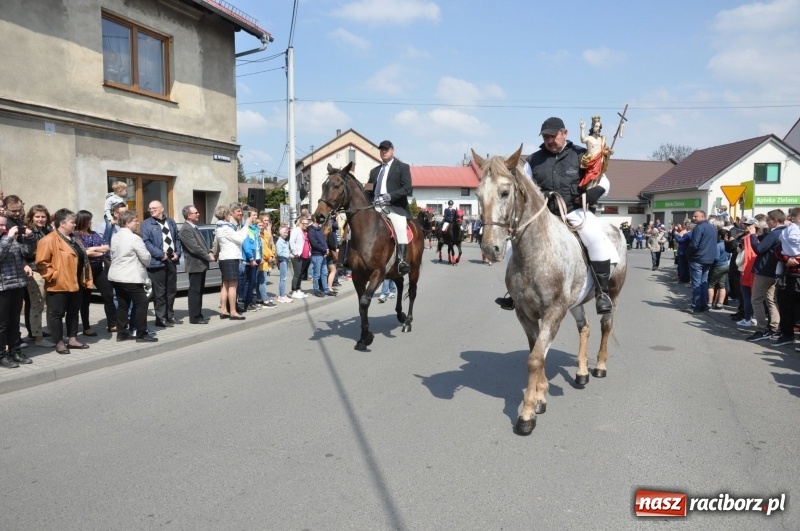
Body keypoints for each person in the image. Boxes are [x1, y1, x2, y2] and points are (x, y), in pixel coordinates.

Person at [495, 117, 619, 313]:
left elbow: (604, 182)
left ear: (565, 133)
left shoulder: (581, 154)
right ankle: (514, 293)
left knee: (596, 239)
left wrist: (592, 194)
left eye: (553, 136)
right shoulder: (533, 160)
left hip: (574, 211)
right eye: (546, 137)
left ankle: (602, 293)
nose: (550, 140)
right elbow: (522, 187)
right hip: (543, 215)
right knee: (512, 245)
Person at [35, 208, 93, 354]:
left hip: (76, 282)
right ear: (62, 223)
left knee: (73, 312)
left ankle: (72, 338)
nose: (75, 225)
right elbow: (42, 263)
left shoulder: (74, 239)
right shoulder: (48, 240)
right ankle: (59, 342)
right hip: (58, 284)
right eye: (72, 222)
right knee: (57, 314)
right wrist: (53, 276)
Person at [107, 210, 156, 342]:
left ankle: (122, 333)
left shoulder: (116, 236)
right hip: (130, 276)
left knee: (123, 305)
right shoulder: (134, 238)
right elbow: (146, 258)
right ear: (128, 223)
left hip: (116, 276)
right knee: (142, 303)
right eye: (135, 221)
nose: (137, 223)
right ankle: (141, 334)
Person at [367, 140, 413, 275]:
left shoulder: (402, 167)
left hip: (394, 206)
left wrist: (391, 196)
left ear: (392, 150)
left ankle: (402, 261)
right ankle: (347, 258)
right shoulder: (375, 171)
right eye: (381, 149)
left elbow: (407, 188)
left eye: (386, 149)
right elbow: (368, 189)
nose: (383, 151)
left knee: (399, 226)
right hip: (376, 206)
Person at [745, 209, 786, 341]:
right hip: (776, 270)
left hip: (765, 270)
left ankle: (761, 329)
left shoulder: (774, 234)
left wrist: (752, 235)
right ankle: (775, 328)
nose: (766, 222)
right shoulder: (786, 232)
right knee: (771, 300)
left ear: (774, 221)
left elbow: (759, 249)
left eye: (768, 220)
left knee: (756, 299)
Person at [0, 214, 34, 368]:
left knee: (14, 321)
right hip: (2, 287)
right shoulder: (8, 238)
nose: (3, 228)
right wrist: (8, 236)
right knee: (2, 324)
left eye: (4, 225)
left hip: (17, 284)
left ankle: (15, 351)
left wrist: (30, 237)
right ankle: (1, 355)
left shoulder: (11, 238)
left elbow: (27, 253)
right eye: (0, 225)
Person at [141, 201, 182, 327]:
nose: (151, 210)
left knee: (171, 290)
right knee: (159, 292)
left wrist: (178, 253)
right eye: (150, 208)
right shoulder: (146, 224)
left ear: (162, 209)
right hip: (156, 262)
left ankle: (170, 316)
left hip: (171, 260)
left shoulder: (171, 222)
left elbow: (177, 239)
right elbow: (146, 243)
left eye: (154, 208)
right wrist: (161, 255)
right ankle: (161, 319)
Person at [74, 210, 115, 336]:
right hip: (85, 270)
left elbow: (106, 247)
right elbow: (82, 252)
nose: (91, 222)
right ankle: (86, 327)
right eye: (88, 219)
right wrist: (94, 251)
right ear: (82, 220)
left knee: (108, 295)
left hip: (98, 269)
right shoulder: (76, 235)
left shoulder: (94, 234)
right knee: (85, 300)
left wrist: (93, 249)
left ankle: (112, 324)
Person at [22, 205, 55, 347]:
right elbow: (25, 253)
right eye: (37, 216)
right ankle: (38, 337)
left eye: (43, 216)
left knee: (51, 303)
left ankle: (50, 331)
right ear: (31, 218)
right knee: (38, 304)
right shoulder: (28, 232)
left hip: (48, 270)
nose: (40, 219)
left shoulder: (47, 231)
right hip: (35, 271)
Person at [178, 204, 215, 324]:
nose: (198, 214)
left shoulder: (194, 227)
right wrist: (208, 256)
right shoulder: (185, 229)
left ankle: (198, 314)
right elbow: (194, 248)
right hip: (195, 265)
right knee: (195, 291)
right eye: (196, 213)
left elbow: (203, 244)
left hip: (200, 264)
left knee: (199, 291)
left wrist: (209, 251)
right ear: (189, 216)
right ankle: (194, 317)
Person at [215, 203, 252, 320]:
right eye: (228, 213)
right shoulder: (226, 228)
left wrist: (244, 226)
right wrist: (247, 225)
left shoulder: (222, 227)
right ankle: (233, 311)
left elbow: (236, 235)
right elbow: (240, 239)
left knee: (225, 285)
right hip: (230, 258)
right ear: (225, 215)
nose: (229, 215)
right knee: (233, 286)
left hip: (225, 258)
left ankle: (224, 310)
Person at [686, 210, 718, 314]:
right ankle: (704, 305)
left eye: (696, 216)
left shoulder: (699, 228)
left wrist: (688, 254)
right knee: (704, 283)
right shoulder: (713, 228)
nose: (693, 218)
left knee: (696, 283)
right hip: (709, 258)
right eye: (693, 216)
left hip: (698, 258)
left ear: (703, 217)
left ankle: (695, 306)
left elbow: (694, 244)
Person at [578, 116, 612, 187]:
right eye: (596, 126)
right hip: (591, 162)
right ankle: (588, 192)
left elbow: (604, 150)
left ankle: (593, 192)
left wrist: (609, 151)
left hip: (599, 162)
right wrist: (582, 128)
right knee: (589, 178)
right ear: (592, 127)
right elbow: (583, 139)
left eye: (599, 127)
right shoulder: (589, 138)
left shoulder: (601, 139)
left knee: (597, 180)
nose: (598, 128)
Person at [240, 209, 263, 310]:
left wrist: (260, 256)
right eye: (254, 215)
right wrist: (251, 258)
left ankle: (250, 300)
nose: (255, 217)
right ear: (248, 217)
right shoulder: (246, 228)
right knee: (248, 281)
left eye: (256, 215)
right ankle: (246, 302)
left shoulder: (255, 228)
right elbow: (246, 244)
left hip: (257, 258)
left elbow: (258, 243)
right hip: (249, 259)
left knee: (253, 281)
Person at [308, 213, 332, 297]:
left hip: (322, 254)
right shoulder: (311, 230)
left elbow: (323, 240)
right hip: (316, 255)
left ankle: (326, 289)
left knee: (324, 272)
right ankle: (316, 290)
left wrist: (326, 249)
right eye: (319, 218)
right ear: (315, 219)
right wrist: (324, 250)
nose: (321, 219)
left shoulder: (319, 229)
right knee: (317, 274)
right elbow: (315, 243)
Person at [256, 216, 277, 308]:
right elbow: (263, 249)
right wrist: (269, 256)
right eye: (260, 225)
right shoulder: (258, 236)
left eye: (263, 224)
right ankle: (265, 300)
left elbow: (271, 245)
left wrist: (272, 255)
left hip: (266, 261)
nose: (263, 226)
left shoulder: (265, 234)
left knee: (261, 281)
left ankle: (260, 298)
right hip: (262, 261)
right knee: (262, 281)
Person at [708, 228, 731, 310]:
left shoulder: (718, 246)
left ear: (719, 236)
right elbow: (729, 257)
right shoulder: (728, 245)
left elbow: (716, 258)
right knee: (722, 285)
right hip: (725, 266)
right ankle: (720, 303)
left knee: (711, 285)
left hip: (717, 266)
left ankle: (710, 303)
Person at [289, 216, 310, 299]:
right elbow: (292, 241)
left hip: (304, 255)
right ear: (300, 223)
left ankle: (298, 289)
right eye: (303, 223)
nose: (305, 225)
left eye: (306, 224)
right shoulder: (296, 230)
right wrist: (295, 252)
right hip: (297, 255)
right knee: (297, 273)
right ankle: (294, 290)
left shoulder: (304, 231)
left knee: (300, 273)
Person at [275, 226, 293, 303]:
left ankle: (281, 295)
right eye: (284, 232)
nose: (286, 234)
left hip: (285, 261)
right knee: (283, 279)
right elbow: (279, 253)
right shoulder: (280, 241)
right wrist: (288, 255)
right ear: (281, 233)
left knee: (283, 278)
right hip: (282, 261)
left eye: (287, 233)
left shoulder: (284, 241)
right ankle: (282, 296)